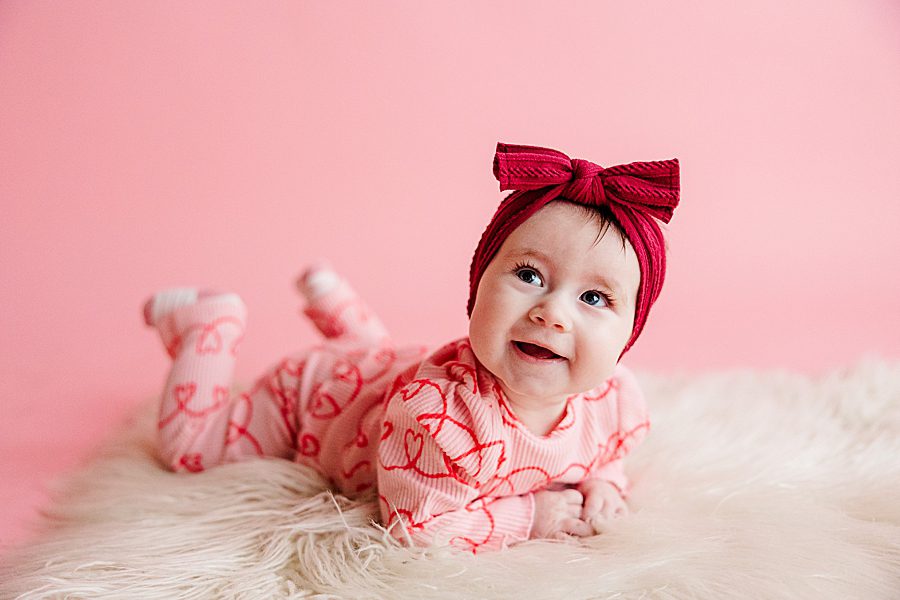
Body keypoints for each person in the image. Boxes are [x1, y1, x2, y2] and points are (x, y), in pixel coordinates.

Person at [143, 142, 680, 552]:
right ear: (476, 288)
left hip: (372, 375)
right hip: (307, 400)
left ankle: (343, 316)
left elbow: (603, 456)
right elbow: (417, 528)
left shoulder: (610, 401)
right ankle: (207, 327)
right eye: (529, 275)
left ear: (628, 335)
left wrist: (602, 483)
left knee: (380, 361)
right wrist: (529, 518)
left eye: (593, 297)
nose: (552, 313)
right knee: (193, 449)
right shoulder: (440, 421)